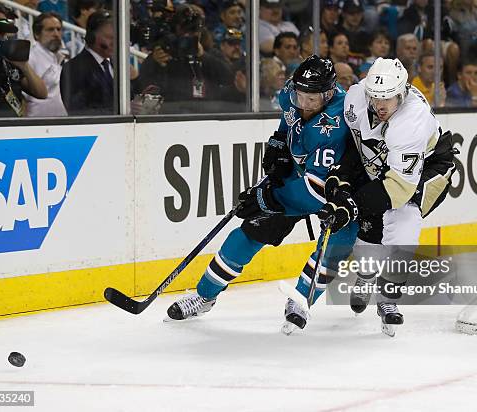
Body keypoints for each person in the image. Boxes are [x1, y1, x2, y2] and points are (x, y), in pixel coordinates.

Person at [166, 55, 358, 333]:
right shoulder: (292, 96)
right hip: (297, 177)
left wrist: (267, 198)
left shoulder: (337, 120)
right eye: (300, 95)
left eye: (311, 99)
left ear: (328, 94)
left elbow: (314, 191)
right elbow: (287, 126)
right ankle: (204, 296)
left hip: (336, 189)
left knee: (337, 246)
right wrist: (279, 144)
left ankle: (300, 300)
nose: (303, 104)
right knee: (247, 234)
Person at [319, 58, 455, 335]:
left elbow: (398, 189)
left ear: (402, 94)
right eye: (375, 97)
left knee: (404, 224)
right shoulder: (356, 99)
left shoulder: (412, 120)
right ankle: (367, 275)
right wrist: (342, 182)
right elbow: (353, 145)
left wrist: (352, 206)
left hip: (428, 168)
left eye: (388, 99)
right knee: (370, 227)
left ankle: (389, 299)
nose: (380, 106)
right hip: (381, 161)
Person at [0, 3, 47, 118]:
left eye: (4, 29)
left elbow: (41, 93)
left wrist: (24, 65)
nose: (2, 35)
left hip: (14, 128)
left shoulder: (7, 60)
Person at [60, 9, 115, 115]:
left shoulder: (119, 65)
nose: (115, 43)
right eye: (109, 37)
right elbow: (78, 112)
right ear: (91, 37)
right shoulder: (73, 68)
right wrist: (119, 112)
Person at [25, 12, 67, 116]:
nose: (56, 34)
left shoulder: (61, 58)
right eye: (50, 29)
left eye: (58, 29)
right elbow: (23, 98)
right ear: (37, 34)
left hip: (62, 124)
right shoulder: (30, 58)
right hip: (38, 125)